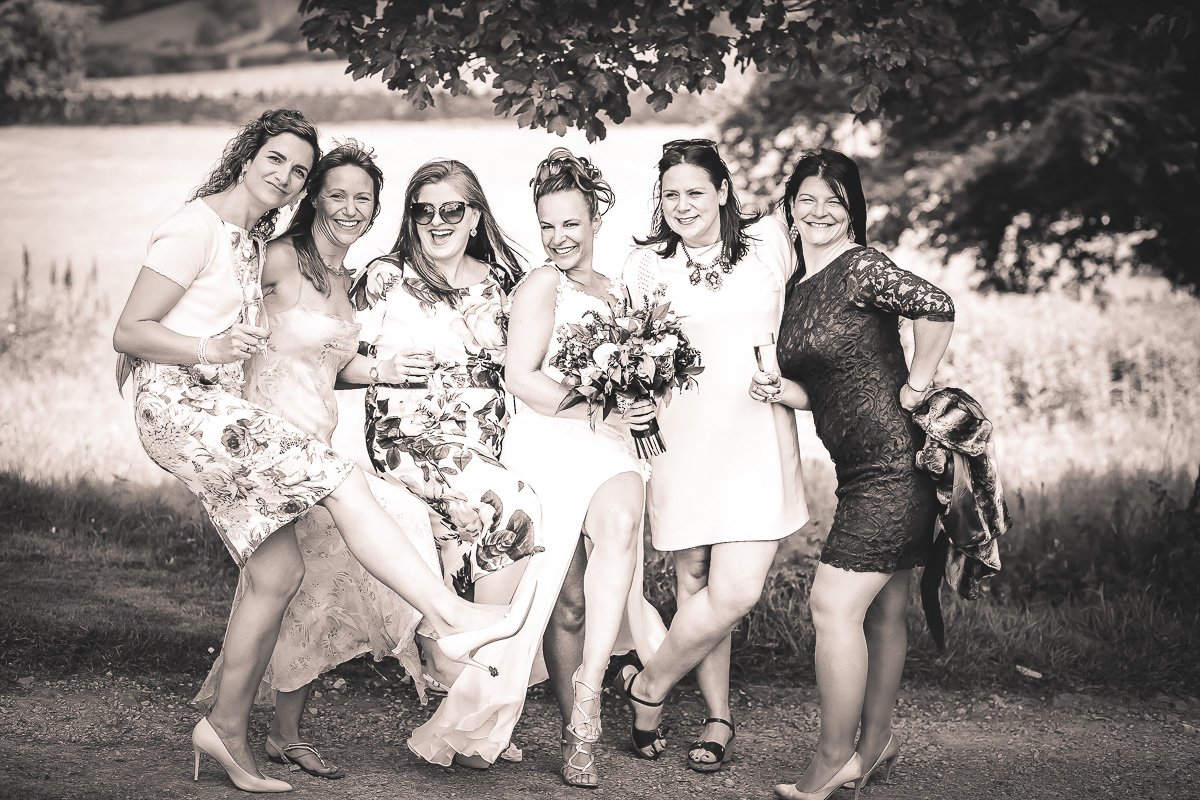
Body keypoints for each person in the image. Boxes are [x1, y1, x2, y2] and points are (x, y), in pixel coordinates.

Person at [112, 110, 529, 794]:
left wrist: (385, 366)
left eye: (298, 168)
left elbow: (282, 344)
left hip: (230, 415)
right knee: (345, 486)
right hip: (193, 410)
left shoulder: (251, 242)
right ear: (248, 156)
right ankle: (450, 617)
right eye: (279, 162)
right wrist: (201, 353)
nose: (286, 176)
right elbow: (132, 330)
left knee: (278, 576)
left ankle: (227, 730)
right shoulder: (202, 227)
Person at [193, 141, 443, 780]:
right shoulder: (278, 260)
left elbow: (324, 363)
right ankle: (234, 729)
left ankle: (279, 734)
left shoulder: (344, 279)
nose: (351, 208)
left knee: (311, 581)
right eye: (337, 194)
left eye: (364, 198)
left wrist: (383, 369)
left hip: (318, 448)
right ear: (313, 199)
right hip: (267, 449)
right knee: (282, 581)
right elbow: (217, 313)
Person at [748, 148, 954, 800]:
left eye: (833, 199)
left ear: (852, 208)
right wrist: (780, 390)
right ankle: (875, 744)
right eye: (806, 198)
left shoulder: (863, 268)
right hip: (859, 469)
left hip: (896, 465)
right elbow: (826, 386)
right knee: (883, 612)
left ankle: (834, 758)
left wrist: (918, 384)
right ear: (790, 207)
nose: (818, 210)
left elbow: (937, 305)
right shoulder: (799, 287)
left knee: (831, 605)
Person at [616, 138, 808, 772]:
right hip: (680, 441)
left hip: (755, 434)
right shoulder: (645, 263)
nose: (681, 204)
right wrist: (634, 400)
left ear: (723, 191)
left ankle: (649, 686)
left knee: (736, 590)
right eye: (669, 194)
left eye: (694, 191)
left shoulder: (770, 244)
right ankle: (718, 718)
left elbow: (825, 259)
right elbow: (627, 350)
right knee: (694, 582)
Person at [499, 147, 667, 788]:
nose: (558, 238)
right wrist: (595, 407)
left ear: (595, 220)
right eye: (547, 225)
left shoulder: (622, 292)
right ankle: (577, 732)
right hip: (549, 440)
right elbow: (523, 379)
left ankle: (593, 687)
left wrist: (646, 394)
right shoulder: (541, 286)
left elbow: (643, 372)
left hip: (609, 447)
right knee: (565, 600)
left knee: (622, 525)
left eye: (570, 223)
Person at [349, 159, 541, 702]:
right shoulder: (385, 278)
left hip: (483, 443)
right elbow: (331, 361)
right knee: (514, 510)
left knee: (461, 560)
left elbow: (525, 367)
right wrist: (379, 369)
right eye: (423, 210)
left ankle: (462, 718)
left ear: (475, 217)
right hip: (409, 441)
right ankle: (462, 648)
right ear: (410, 218)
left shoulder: (503, 284)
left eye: (451, 209)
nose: (437, 221)